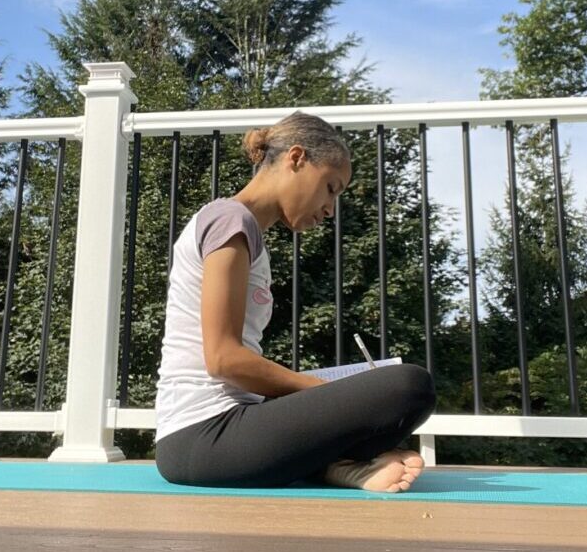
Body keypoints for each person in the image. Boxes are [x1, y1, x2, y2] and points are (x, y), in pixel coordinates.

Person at [154, 111, 436, 491]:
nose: (330, 209)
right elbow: (223, 359)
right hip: (202, 435)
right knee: (409, 386)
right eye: (331, 188)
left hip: (234, 426)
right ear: (297, 158)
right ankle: (339, 460)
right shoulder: (229, 221)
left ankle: (335, 466)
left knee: (400, 391)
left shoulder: (245, 231)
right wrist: (324, 391)